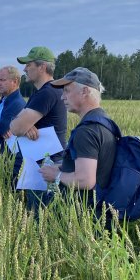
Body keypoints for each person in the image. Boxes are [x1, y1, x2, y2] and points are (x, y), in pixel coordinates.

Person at [39, 67, 116, 219]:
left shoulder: (86, 131)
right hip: (98, 209)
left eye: (67, 90)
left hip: (82, 215)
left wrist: (56, 174)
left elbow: (85, 179)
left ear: (85, 91)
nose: (62, 97)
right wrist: (64, 166)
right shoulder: (104, 122)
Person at [9, 46, 67, 212]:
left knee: (40, 216)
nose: (25, 68)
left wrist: (23, 125)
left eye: (29, 64)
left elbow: (16, 127)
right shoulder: (46, 92)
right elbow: (18, 123)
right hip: (44, 162)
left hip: (47, 165)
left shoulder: (47, 93)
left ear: (42, 67)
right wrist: (24, 124)